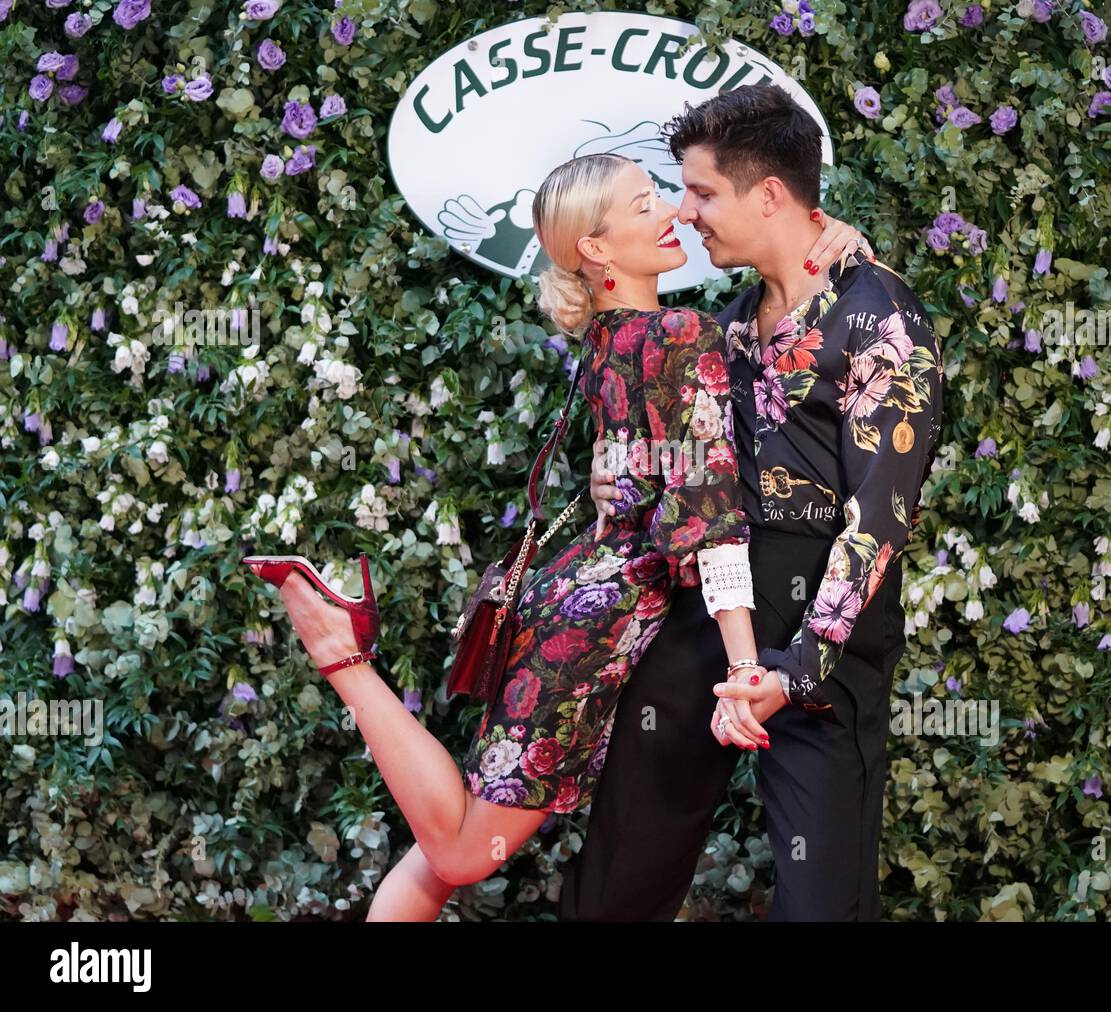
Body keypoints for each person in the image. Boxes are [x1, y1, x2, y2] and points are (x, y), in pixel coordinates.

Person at [240, 150, 870, 920]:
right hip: (593, 627)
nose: (671, 212)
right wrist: (744, 665)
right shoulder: (677, 332)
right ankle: (342, 652)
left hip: (566, 598)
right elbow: (704, 508)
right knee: (464, 851)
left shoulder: (608, 336)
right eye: (645, 206)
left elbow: (641, 475)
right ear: (596, 249)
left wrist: (828, 235)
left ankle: (343, 653)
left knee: (443, 853)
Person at [558, 84, 945, 922]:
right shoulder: (723, 328)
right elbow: (688, 466)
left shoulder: (882, 321)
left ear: (768, 194)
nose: (685, 214)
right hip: (706, 609)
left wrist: (796, 670)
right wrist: (619, 468)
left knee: (822, 901)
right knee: (623, 871)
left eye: (701, 193)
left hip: (826, 642)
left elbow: (878, 523)